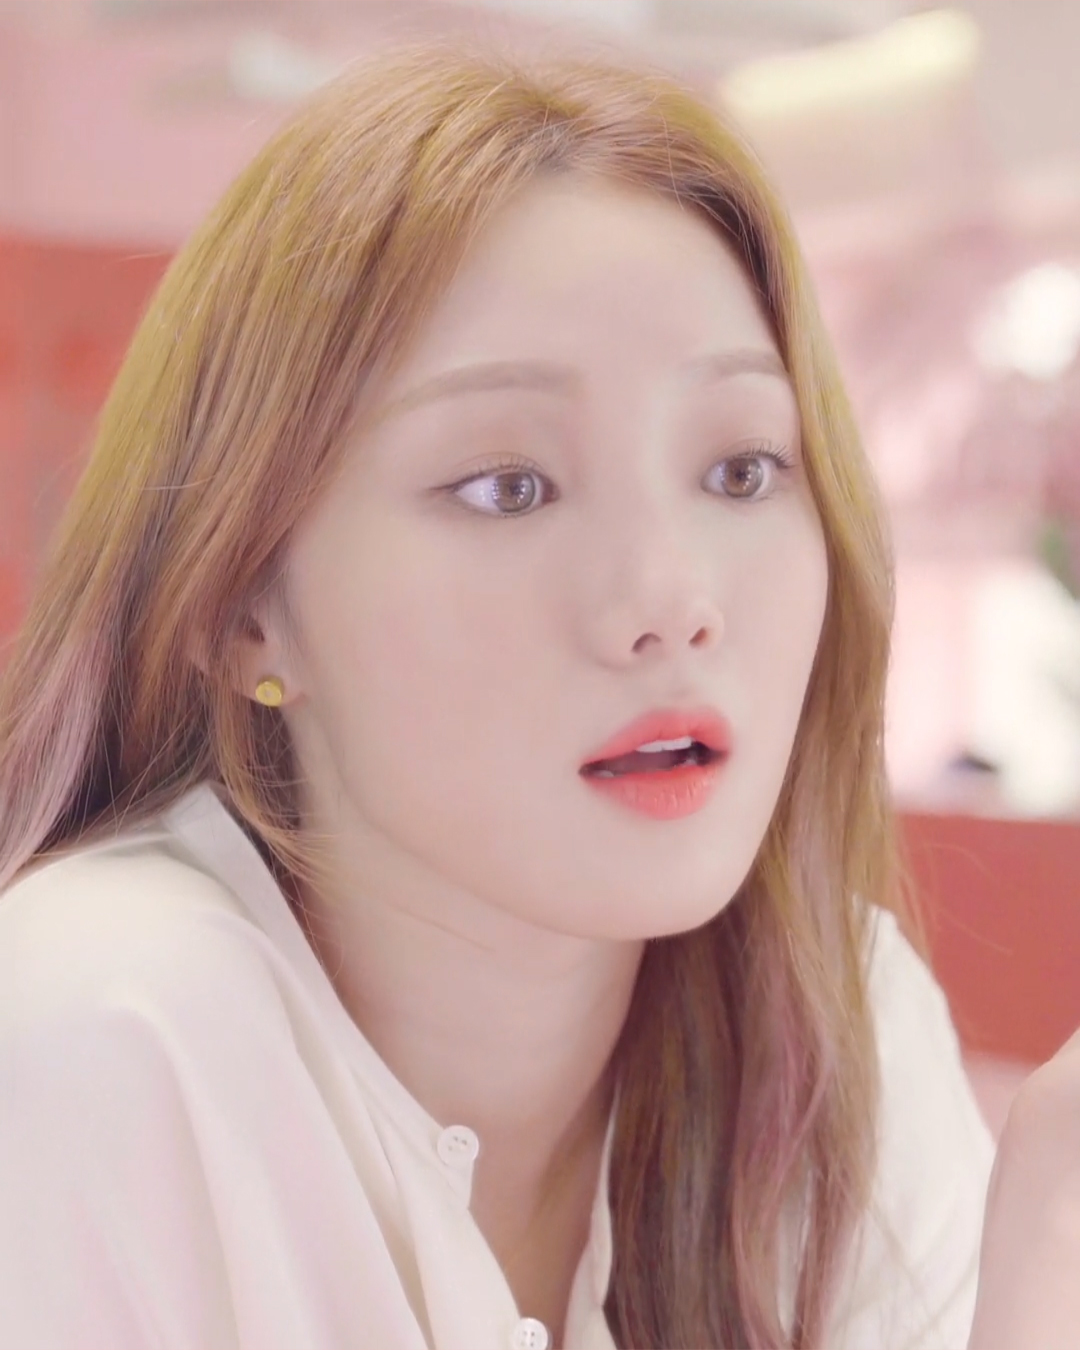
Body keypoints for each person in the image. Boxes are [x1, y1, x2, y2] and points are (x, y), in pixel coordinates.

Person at [0, 37, 1065, 1350]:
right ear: (242, 606)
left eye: (740, 470)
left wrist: (1042, 1262)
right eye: (509, 487)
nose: (673, 597)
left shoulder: (836, 1025)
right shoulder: (94, 1031)